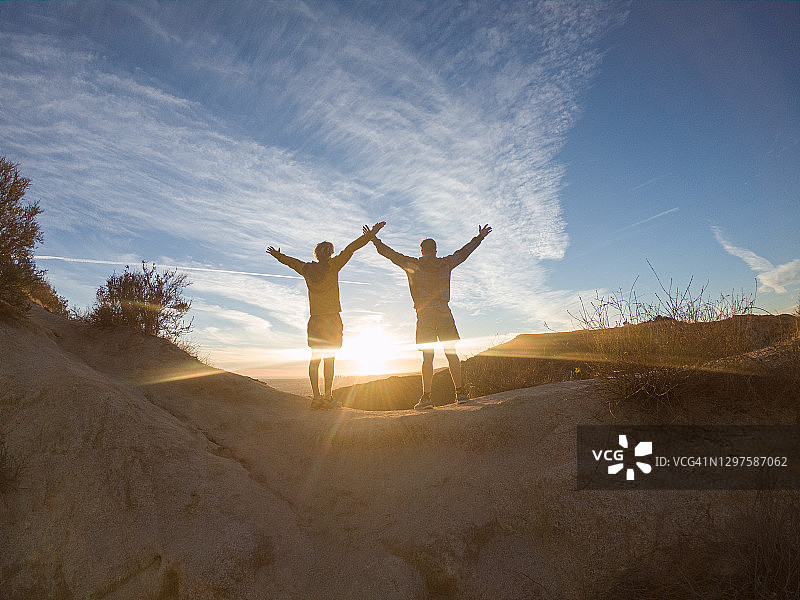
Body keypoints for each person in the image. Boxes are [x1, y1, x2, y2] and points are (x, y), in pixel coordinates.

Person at [363, 223, 492, 409]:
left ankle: (426, 398)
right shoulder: (445, 263)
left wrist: (374, 238)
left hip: (424, 315)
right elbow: (463, 253)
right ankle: (461, 393)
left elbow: (390, 254)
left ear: (421, 250)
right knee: (451, 354)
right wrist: (479, 237)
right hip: (444, 312)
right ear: (436, 250)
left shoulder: (413, 264)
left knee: (427, 357)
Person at [267, 221, 386, 409]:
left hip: (316, 319)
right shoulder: (334, 265)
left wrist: (277, 255)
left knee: (315, 359)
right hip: (331, 319)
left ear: (316, 254)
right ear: (330, 253)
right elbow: (351, 248)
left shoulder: (306, 269)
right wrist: (371, 234)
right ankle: (328, 397)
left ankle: (316, 398)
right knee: (329, 359)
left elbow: (291, 262)